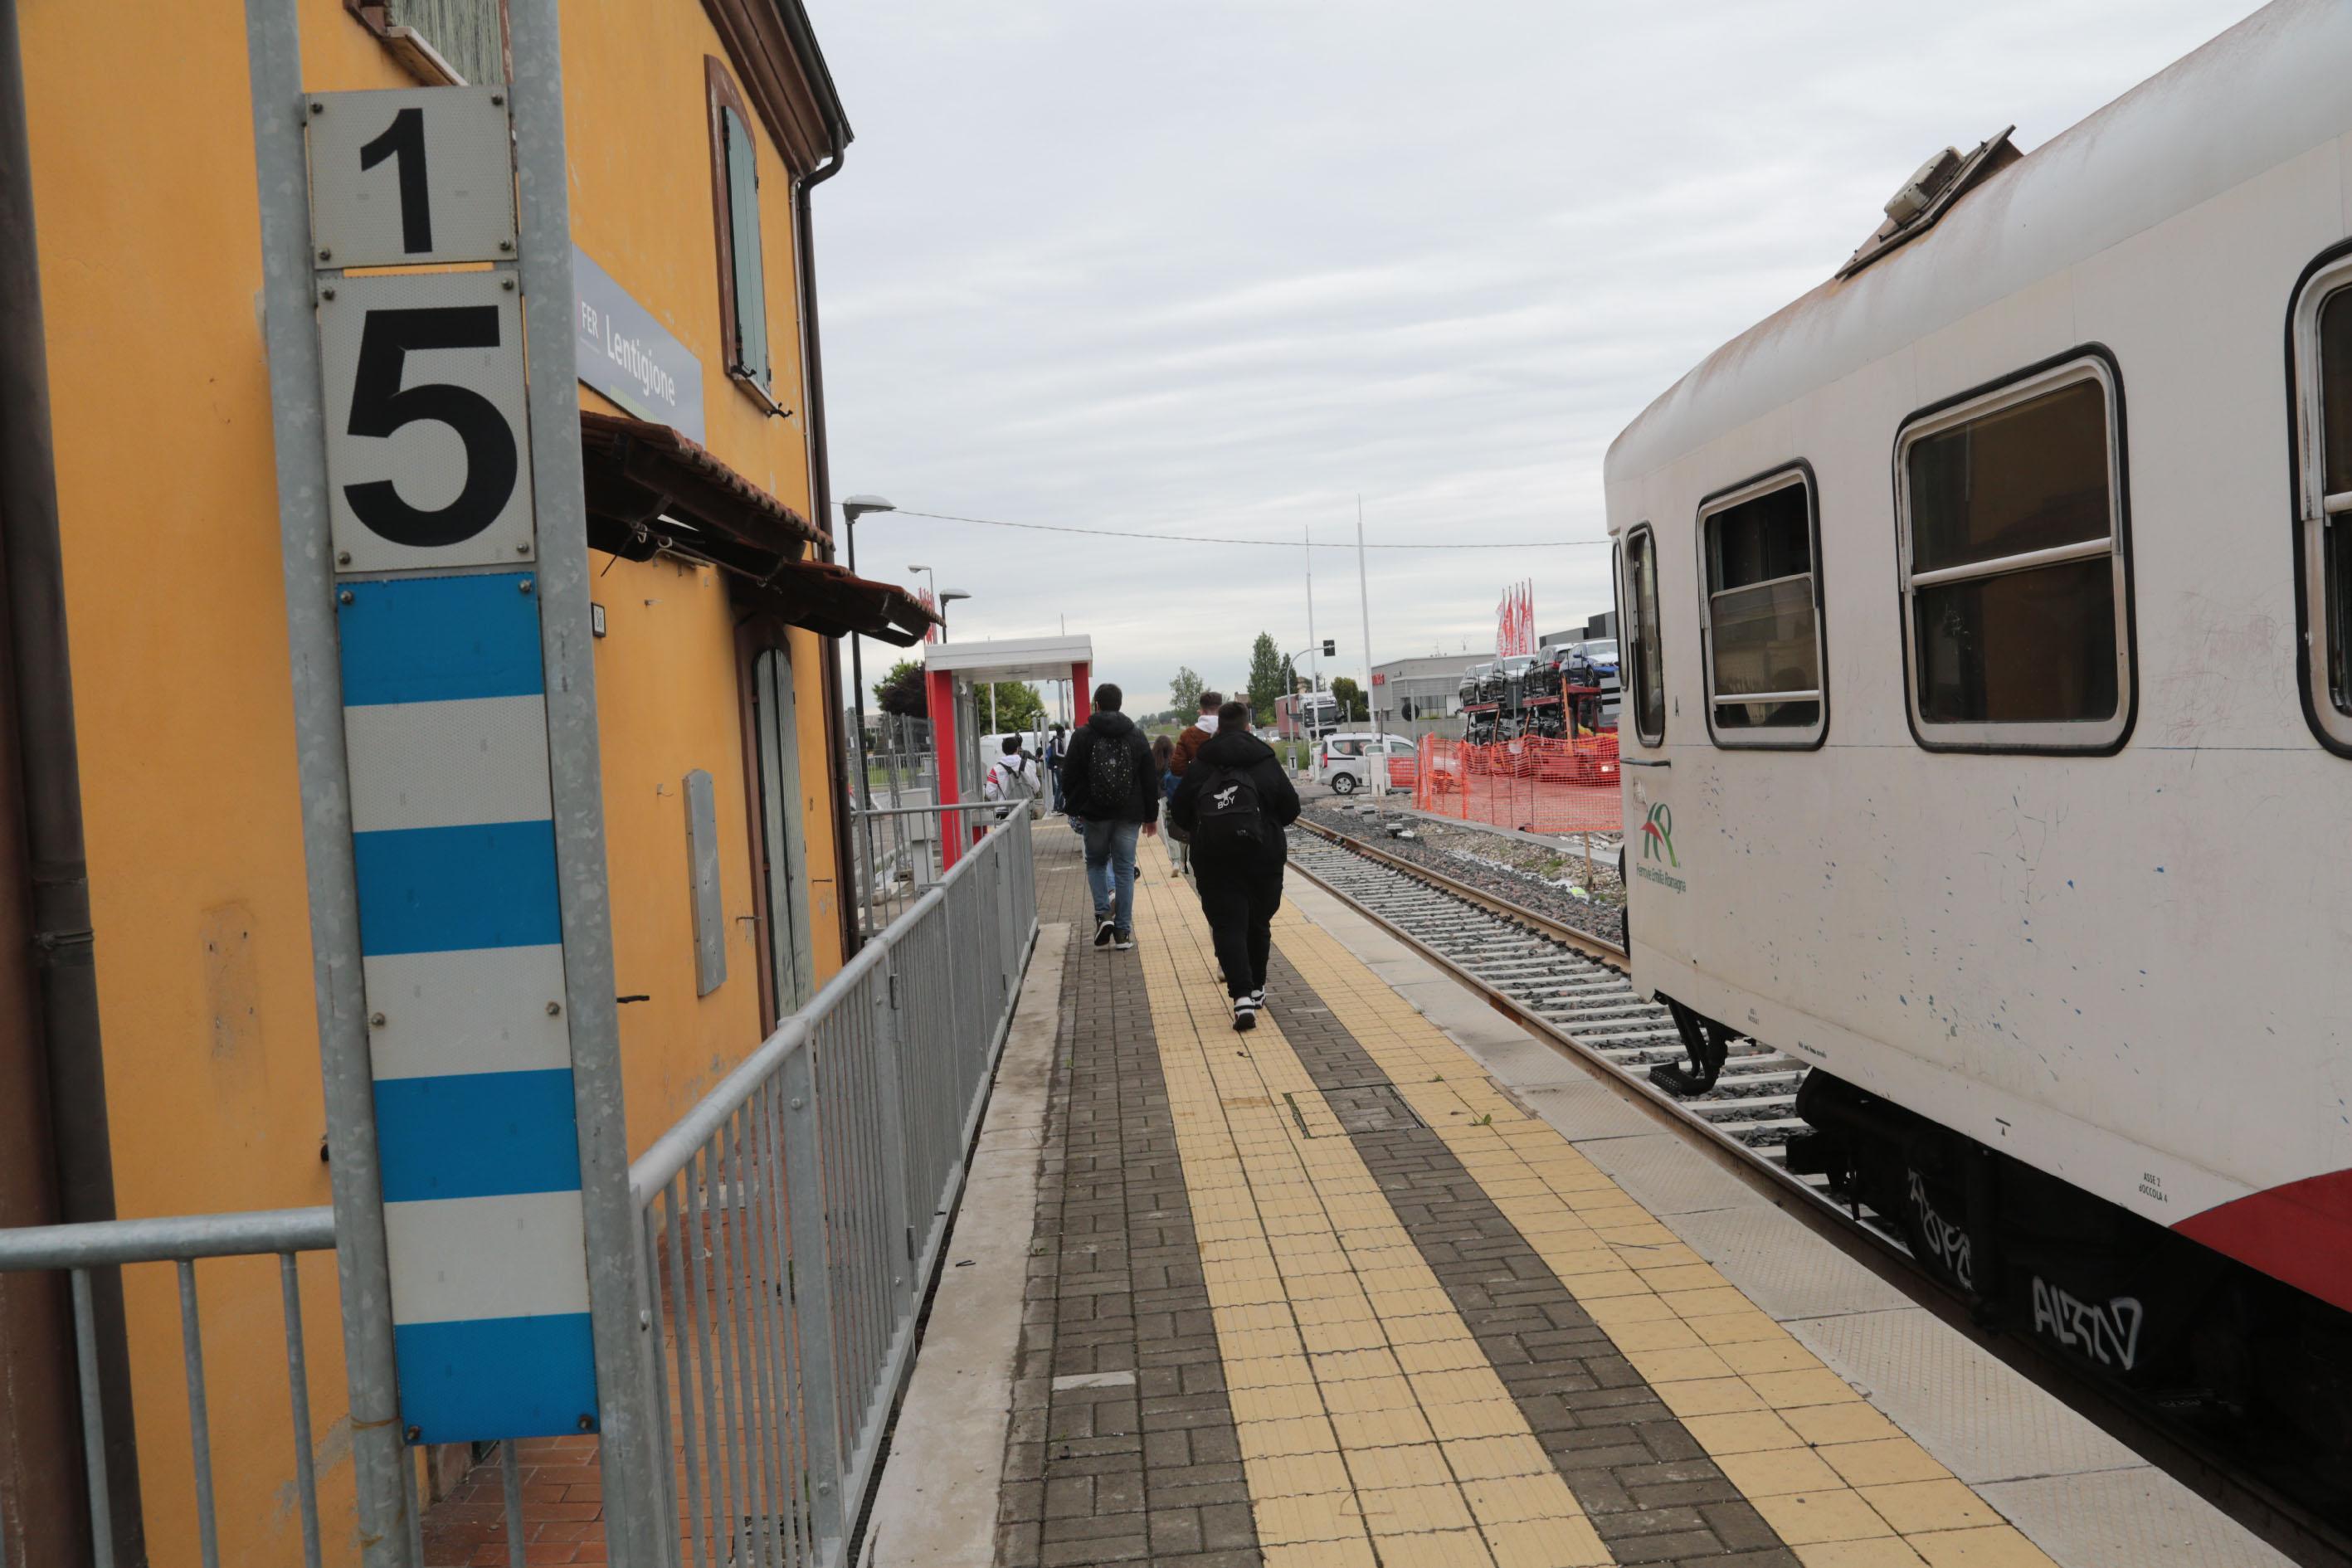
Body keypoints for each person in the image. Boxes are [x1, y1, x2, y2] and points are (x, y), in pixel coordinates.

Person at [1170, 699, 1301, 1030]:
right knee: (1258, 922)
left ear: (1218, 727)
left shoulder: (1203, 763)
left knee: (1228, 925)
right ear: (1247, 726)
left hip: (1214, 858)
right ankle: (1257, 988)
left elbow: (1180, 812)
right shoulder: (1265, 760)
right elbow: (1291, 809)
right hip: (1263, 855)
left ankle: (1242, 999)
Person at [1058, 684, 1159, 951]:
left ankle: (1103, 915)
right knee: (1124, 869)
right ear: (1120, 704)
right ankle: (1123, 932)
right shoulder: (1136, 735)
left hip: (1095, 814)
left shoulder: (1083, 735)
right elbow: (1149, 779)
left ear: (1097, 705)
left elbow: (1068, 776)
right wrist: (1151, 816)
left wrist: (1077, 806)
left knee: (1096, 863)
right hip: (1129, 814)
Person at [1166, 691, 1221, 877]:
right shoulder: (1230, 731)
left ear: (1201, 710)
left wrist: (1195, 769)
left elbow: (1176, 768)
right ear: (1220, 708)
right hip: (1231, 795)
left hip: (1200, 799)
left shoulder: (1188, 735)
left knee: (1201, 841)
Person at [983, 733, 1040, 818]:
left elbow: (990, 793)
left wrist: (1000, 798)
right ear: (1017, 749)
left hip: (1004, 811)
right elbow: (1036, 787)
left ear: (1003, 750)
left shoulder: (996, 769)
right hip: (1024, 809)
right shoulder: (1027, 765)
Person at [1043, 723, 1068, 814]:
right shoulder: (1056, 740)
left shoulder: (1058, 740)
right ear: (1062, 732)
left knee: (1062, 786)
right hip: (1059, 767)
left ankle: (1060, 807)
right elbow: (1055, 753)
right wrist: (1066, 756)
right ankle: (1057, 807)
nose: (1064, 734)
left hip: (1061, 766)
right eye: (1064, 732)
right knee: (1060, 787)